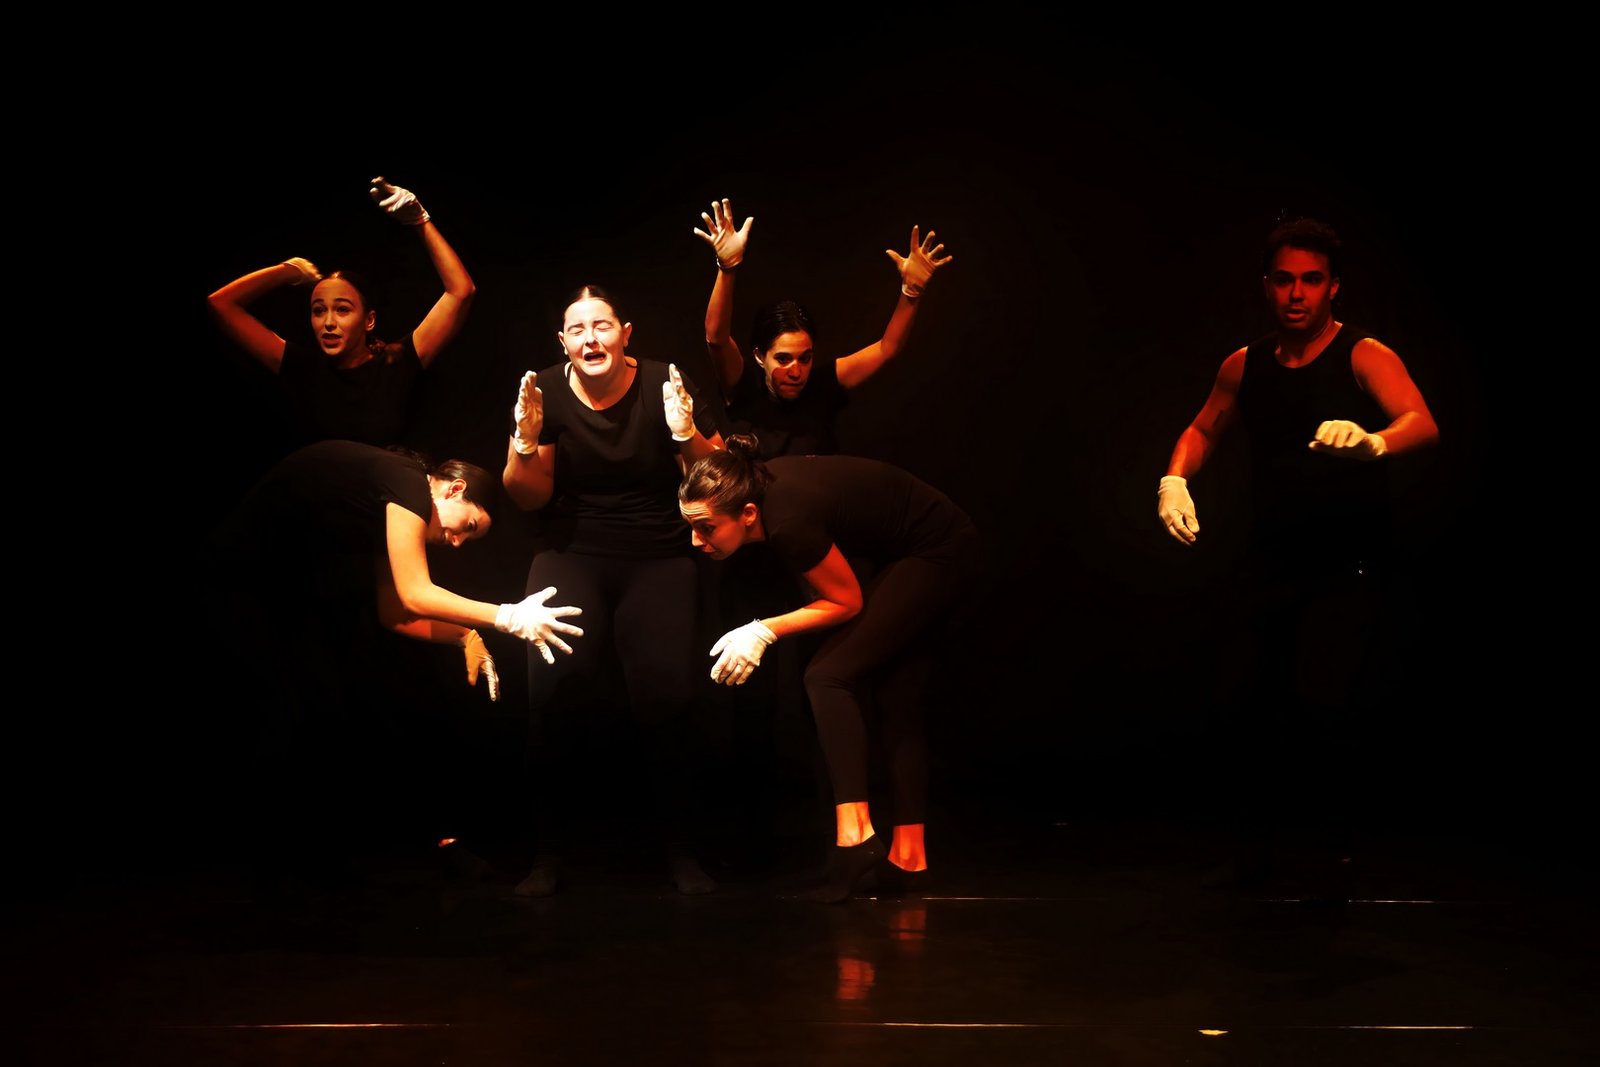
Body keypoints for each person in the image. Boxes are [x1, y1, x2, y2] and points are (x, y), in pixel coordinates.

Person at [1155, 216, 1440, 895]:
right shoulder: (1245, 364)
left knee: (1323, 703)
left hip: (1348, 562)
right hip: (1271, 558)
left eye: (1311, 280)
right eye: (1284, 280)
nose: (1296, 293)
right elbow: (1203, 427)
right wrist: (1173, 479)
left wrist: (1374, 441)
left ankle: (1330, 854)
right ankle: (1255, 853)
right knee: (1245, 701)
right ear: (1266, 285)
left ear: (1333, 287)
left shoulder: (1363, 355)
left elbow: (1421, 422)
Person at [208, 439, 583, 875]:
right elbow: (415, 593)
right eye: (468, 526)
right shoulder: (407, 483)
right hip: (243, 579)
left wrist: (464, 634)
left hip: (279, 587)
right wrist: (508, 617)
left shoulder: (390, 500)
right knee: (292, 709)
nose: (458, 542)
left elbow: (393, 612)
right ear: (455, 489)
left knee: (344, 702)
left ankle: (382, 846)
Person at [678, 435, 982, 903]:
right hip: (908, 552)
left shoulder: (787, 523)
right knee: (895, 695)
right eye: (690, 527)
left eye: (706, 528)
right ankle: (909, 861)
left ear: (748, 514)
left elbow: (846, 601)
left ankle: (855, 841)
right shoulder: (760, 493)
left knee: (826, 675)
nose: (696, 541)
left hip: (939, 549)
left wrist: (764, 631)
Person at [501, 285, 727, 896]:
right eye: (577, 330)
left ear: (626, 334)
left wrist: (686, 434)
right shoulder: (545, 390)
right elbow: (529, 497)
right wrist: (524, 441)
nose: (591, 339)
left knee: (667, 699)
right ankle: (547, 857)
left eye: (602, 326)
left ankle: (682, 853)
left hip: (659, 554)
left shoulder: (663, 382)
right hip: (571, 550)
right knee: (551, 696)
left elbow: (719, 480)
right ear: (563, 343)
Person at [206, 177, 476, 450]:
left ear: (369, 320)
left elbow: (461, 291)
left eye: (343, 310)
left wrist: (420, 221)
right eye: (318, 311)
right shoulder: (301, 367)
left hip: (387, 477)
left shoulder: (396, 362)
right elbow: (221, 304)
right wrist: (287, 271)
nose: (329, 322)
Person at [693, 197, 953, 459]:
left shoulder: (823, 385)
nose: (796, 371)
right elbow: (716, 339)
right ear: (760, 356)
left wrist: (911, 292)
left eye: (804, 358)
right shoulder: (744, 387)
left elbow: (888, 348)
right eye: (783, 359)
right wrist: (727, 269)